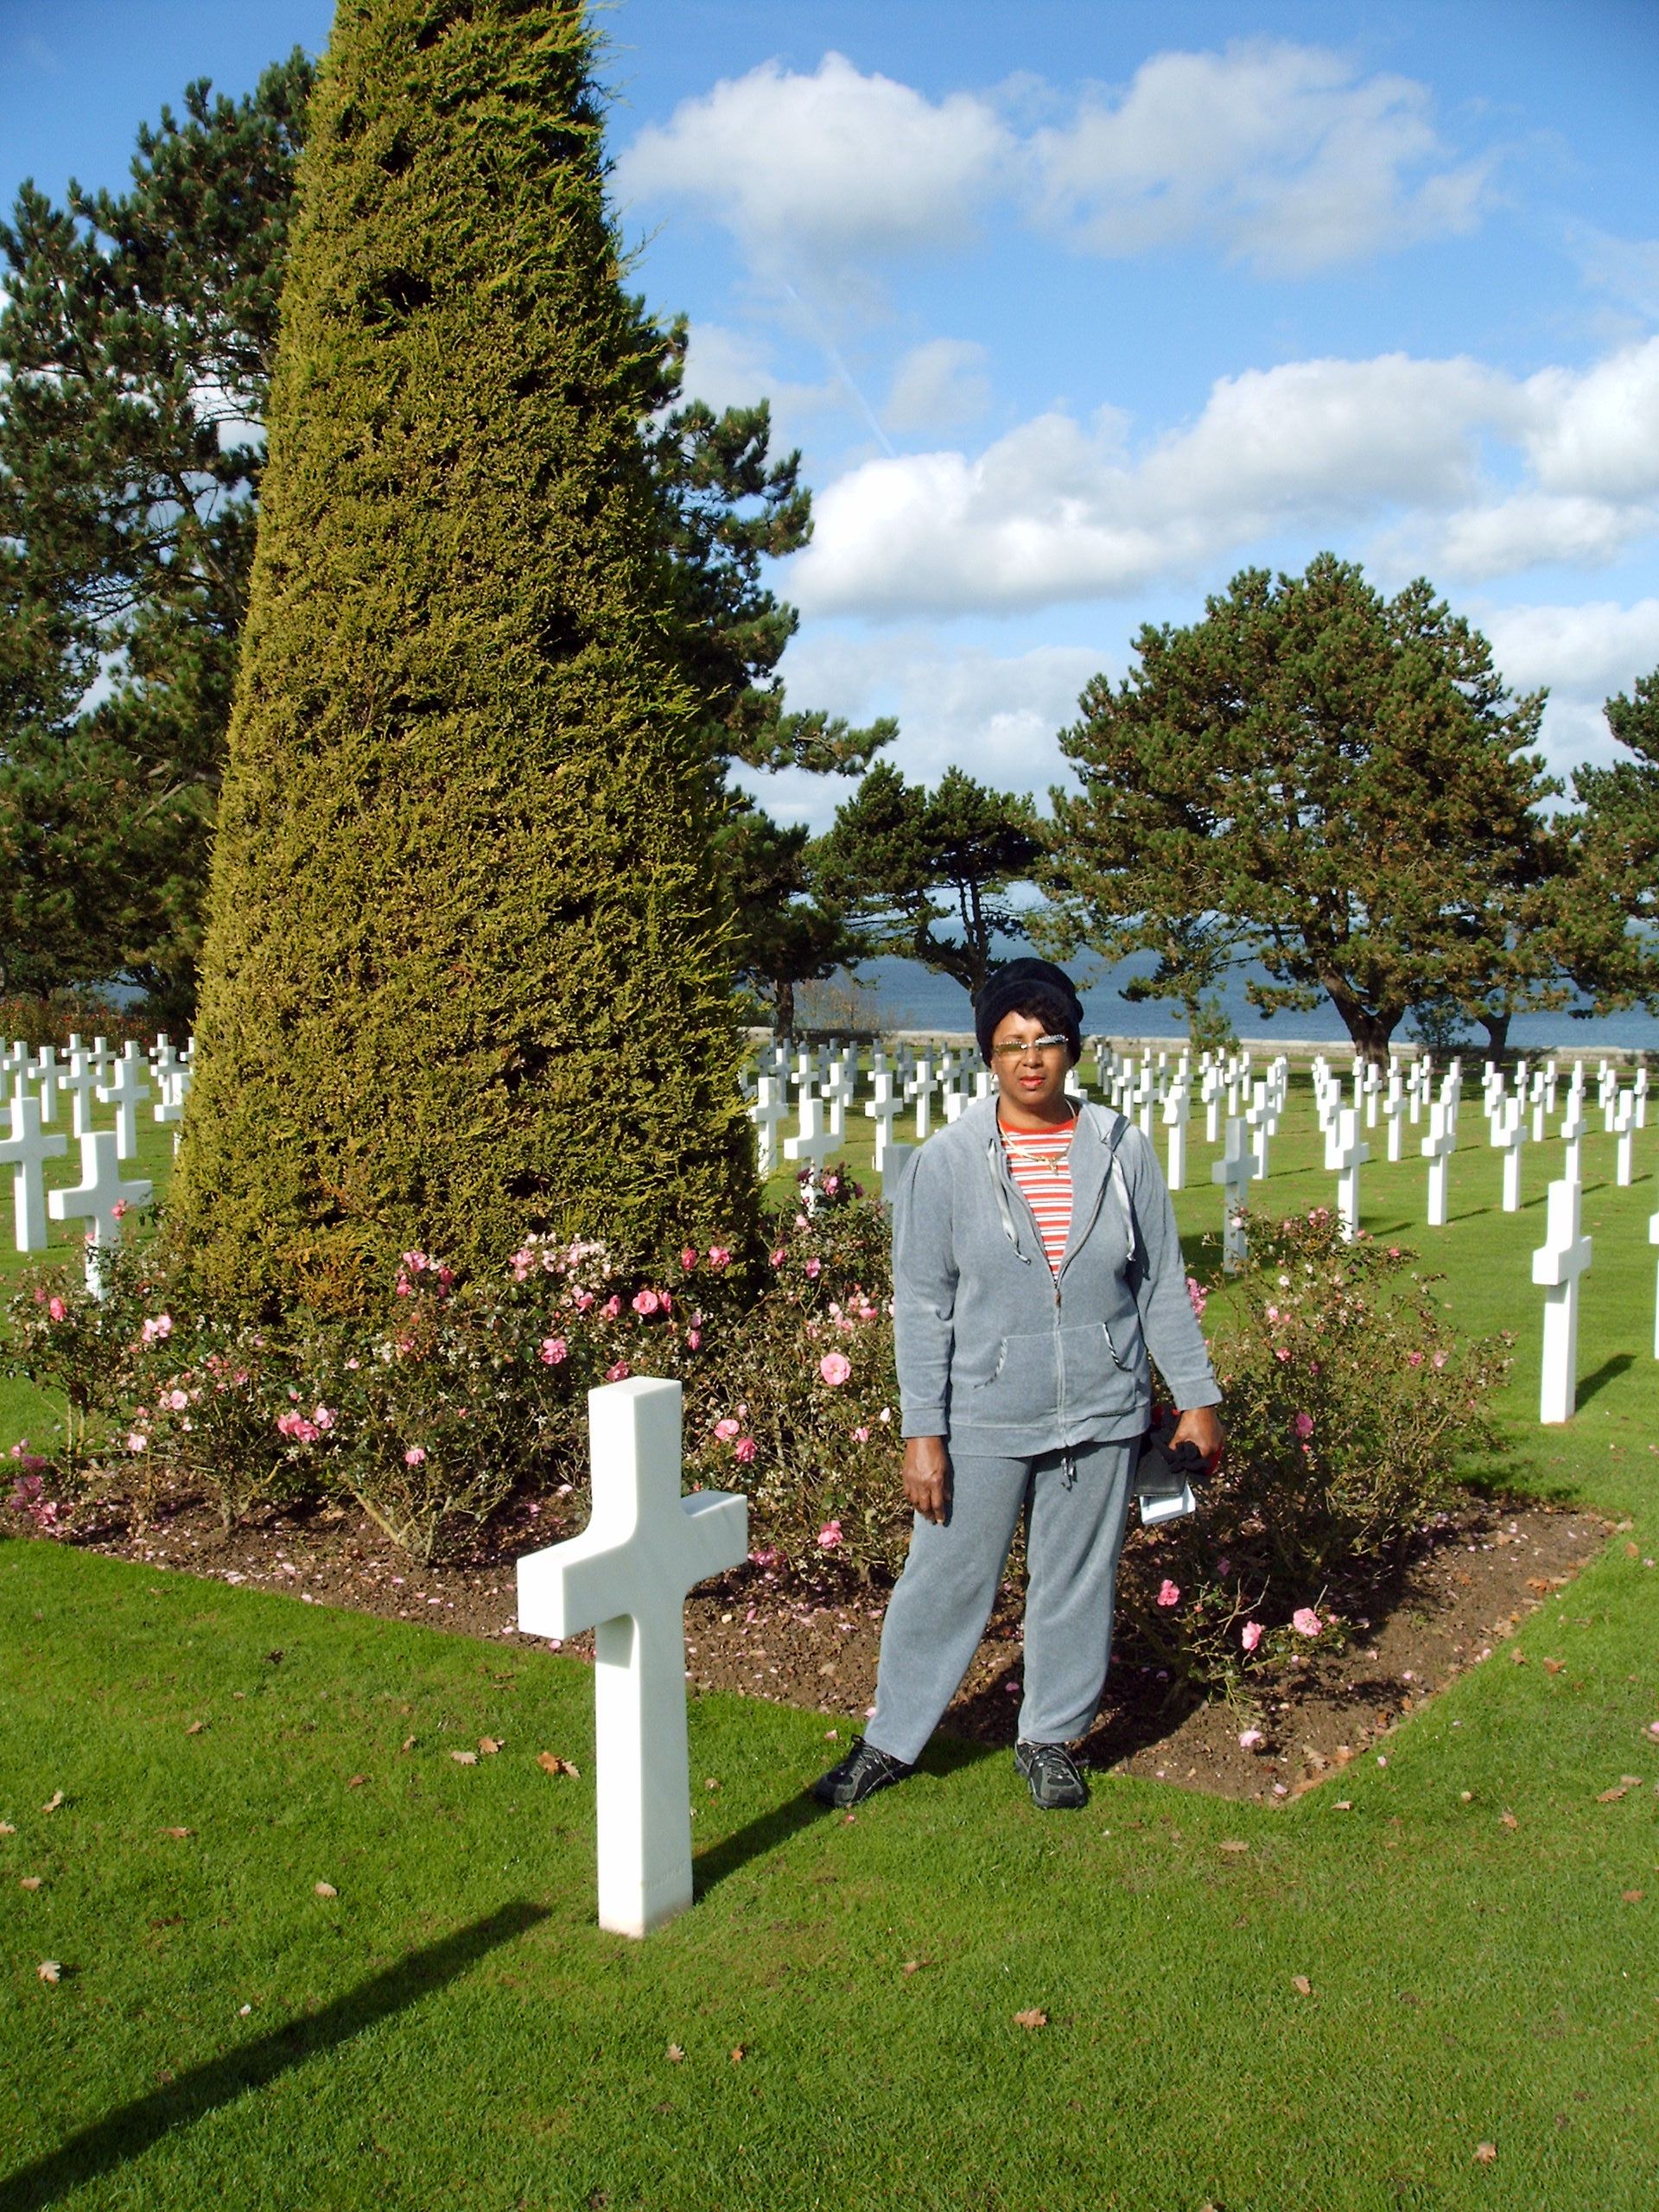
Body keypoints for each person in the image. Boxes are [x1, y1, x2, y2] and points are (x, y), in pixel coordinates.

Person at [813, 957, 1223, 1812]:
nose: (1029, 1059)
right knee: (945, 1581)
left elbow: (1158, 1284)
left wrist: (1197, 1396)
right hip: (986, 1417)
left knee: (1075, 1583)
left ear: (1073, 1049)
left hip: (1102, 1413)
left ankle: (1049, 1737)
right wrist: (922, 1431)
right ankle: (890, 1740)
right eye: (1010, 1044)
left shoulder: (1120, 1149)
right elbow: (922, 1306)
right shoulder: (948, 1162)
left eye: (1046, 1041)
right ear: (988, 1058)